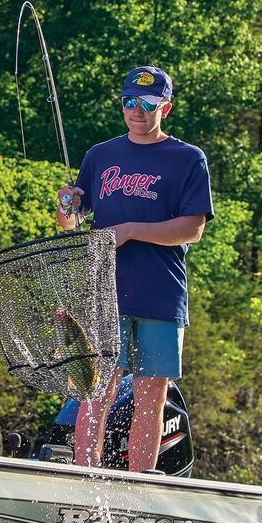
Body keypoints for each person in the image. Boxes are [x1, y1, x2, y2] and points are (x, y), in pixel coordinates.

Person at [57, 66, 212, 472]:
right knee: (98, 387)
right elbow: (73, 224)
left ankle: (142, 481)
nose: (136, 111)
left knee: (151, 392)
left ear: (166, 108)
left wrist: (129, 231)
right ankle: (86, 473)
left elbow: (192, 229)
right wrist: (66, 207)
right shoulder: (101, 155)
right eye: (129, 101)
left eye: (147, 103)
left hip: (163, 293)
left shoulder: (188, 159)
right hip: (105, 291)